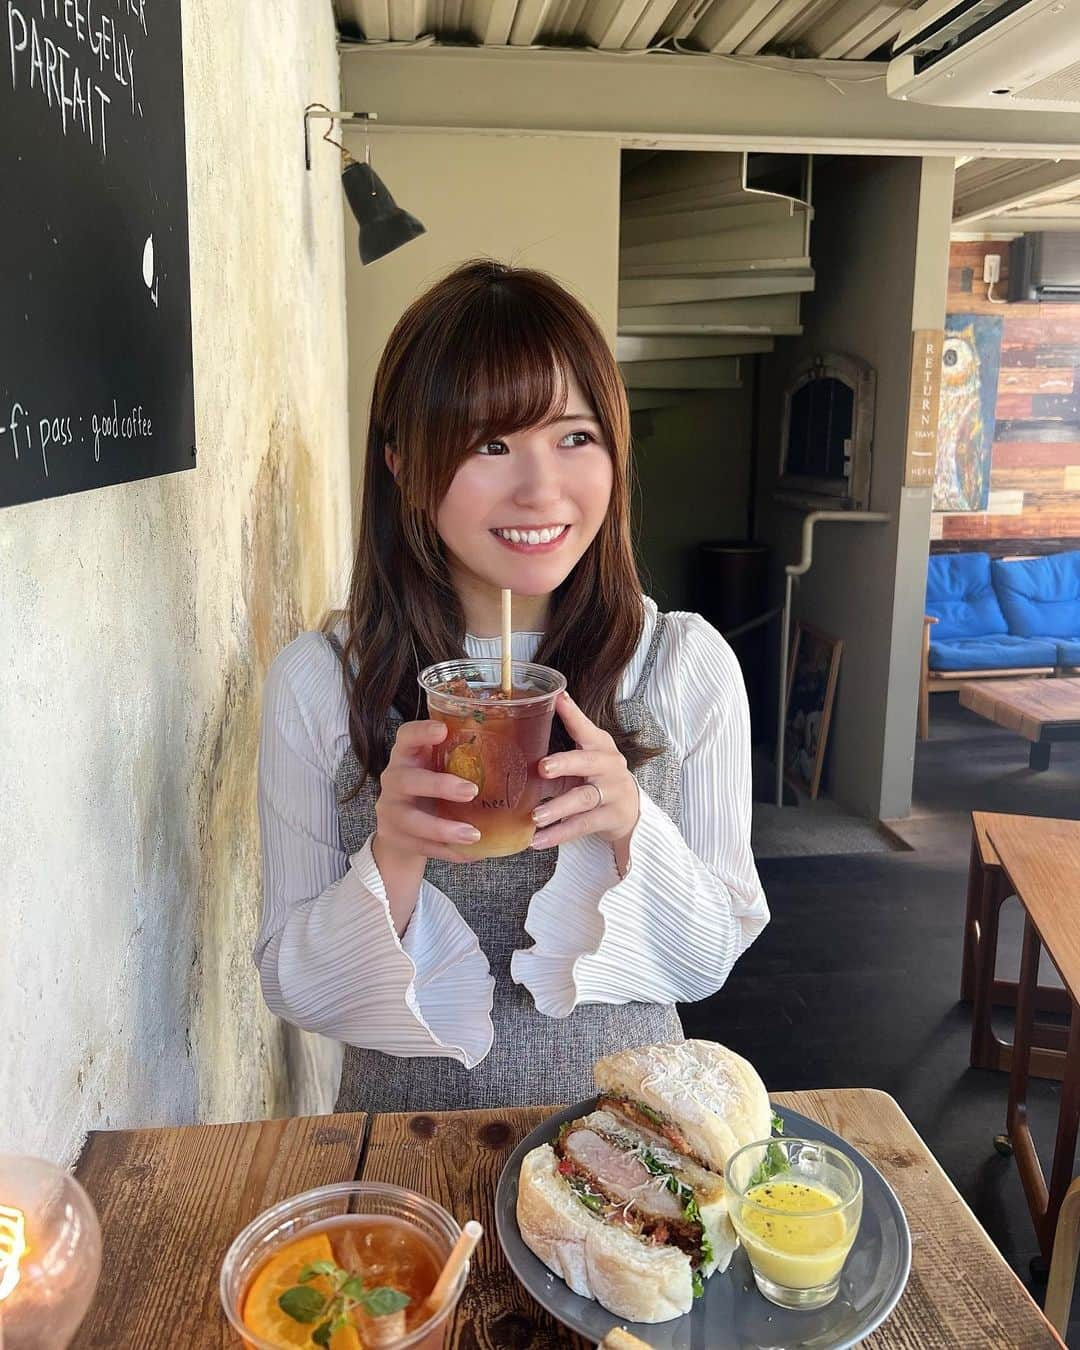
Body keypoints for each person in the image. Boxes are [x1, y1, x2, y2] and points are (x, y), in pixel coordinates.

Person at [255, 258, 769, 1113]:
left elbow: (710, 958)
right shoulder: (322, 684)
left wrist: (631, 825)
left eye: (575, 436)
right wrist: (394, 856)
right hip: (405, 1165)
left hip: (634, 1156)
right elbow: (291, 985)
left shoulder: (683, 667)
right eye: (490, 444)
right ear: (402, 463)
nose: (542, 489)